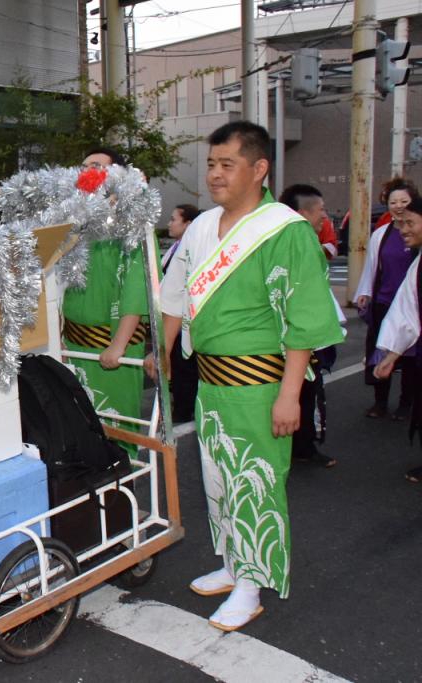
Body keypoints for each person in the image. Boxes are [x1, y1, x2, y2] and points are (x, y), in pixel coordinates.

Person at [150, 121, 342, 632]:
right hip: (211, 382)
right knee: (218, 479)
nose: (215, 174)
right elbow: (175, 294)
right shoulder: (201, 226)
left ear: (259, 169)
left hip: (260, 384)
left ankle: (253, 584)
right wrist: (163, 349)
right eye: (211, 164)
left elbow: (304, 320)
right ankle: (235, 563)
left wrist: (290, 395)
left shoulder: (284, 229)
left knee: (256, 483)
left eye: (227, 164)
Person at [62, 147, 151, 449]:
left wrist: (119, 345)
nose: (89, 172)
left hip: (113, 349)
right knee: (79, 430)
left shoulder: (132, 223)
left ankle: (123, 479)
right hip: (75, 347)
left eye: (99, 167)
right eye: (85, 166)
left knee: (116, 431)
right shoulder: (76, 224)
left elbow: (136, 286)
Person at [279, 183, 340, 468]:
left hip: (288, 336)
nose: (324, 216)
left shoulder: (288, 240)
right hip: (296, 337)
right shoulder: (299, 243)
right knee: (303, 391)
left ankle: (298, 446)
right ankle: (300, 447)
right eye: (321, 210)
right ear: (303, 214)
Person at [354, 178, 420, 420]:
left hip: (413, 309)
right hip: (386, 303)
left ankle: (406, 404)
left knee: (412, 359)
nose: (399, 206)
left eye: (404, 201)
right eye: (393, 202)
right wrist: (365, 293)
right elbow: (372, 268)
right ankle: (380, 402)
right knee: (382, 350)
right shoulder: (381, 235)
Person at [375, 195, 422, 483]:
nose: (403, 229)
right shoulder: (418, 265)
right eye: (401, 223)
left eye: (410, 223)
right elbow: (407, 311)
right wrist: (391, 355)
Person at [162, 204, 200, 422]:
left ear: (188, 224)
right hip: (172, 318)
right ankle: (181, 406)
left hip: (184, 319)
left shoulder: (193, 249)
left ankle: (184, 410)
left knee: (184, 367)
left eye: (174, 219)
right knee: (177, 367)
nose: (169, 224)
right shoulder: (175, 247)